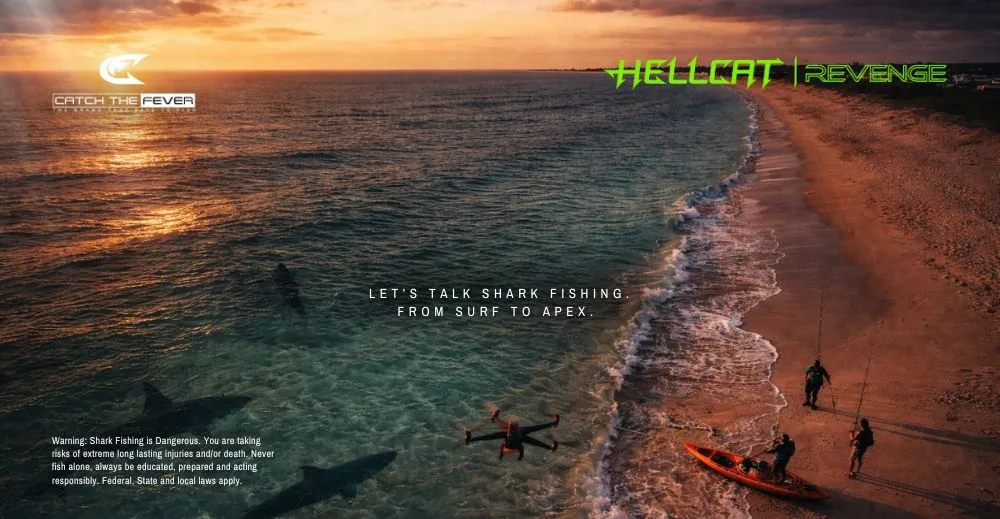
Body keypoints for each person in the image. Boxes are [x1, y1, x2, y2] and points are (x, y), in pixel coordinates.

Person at [465, 410, 559, 460]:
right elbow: (521, 448)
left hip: (513, 440)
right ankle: (550, 445)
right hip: (513, 441)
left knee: (535, 429)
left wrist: (471, 439)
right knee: (534, 434)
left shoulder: (507, 435)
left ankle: (495, 419)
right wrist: (521, 455)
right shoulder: (515, 436)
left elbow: (488, 437)